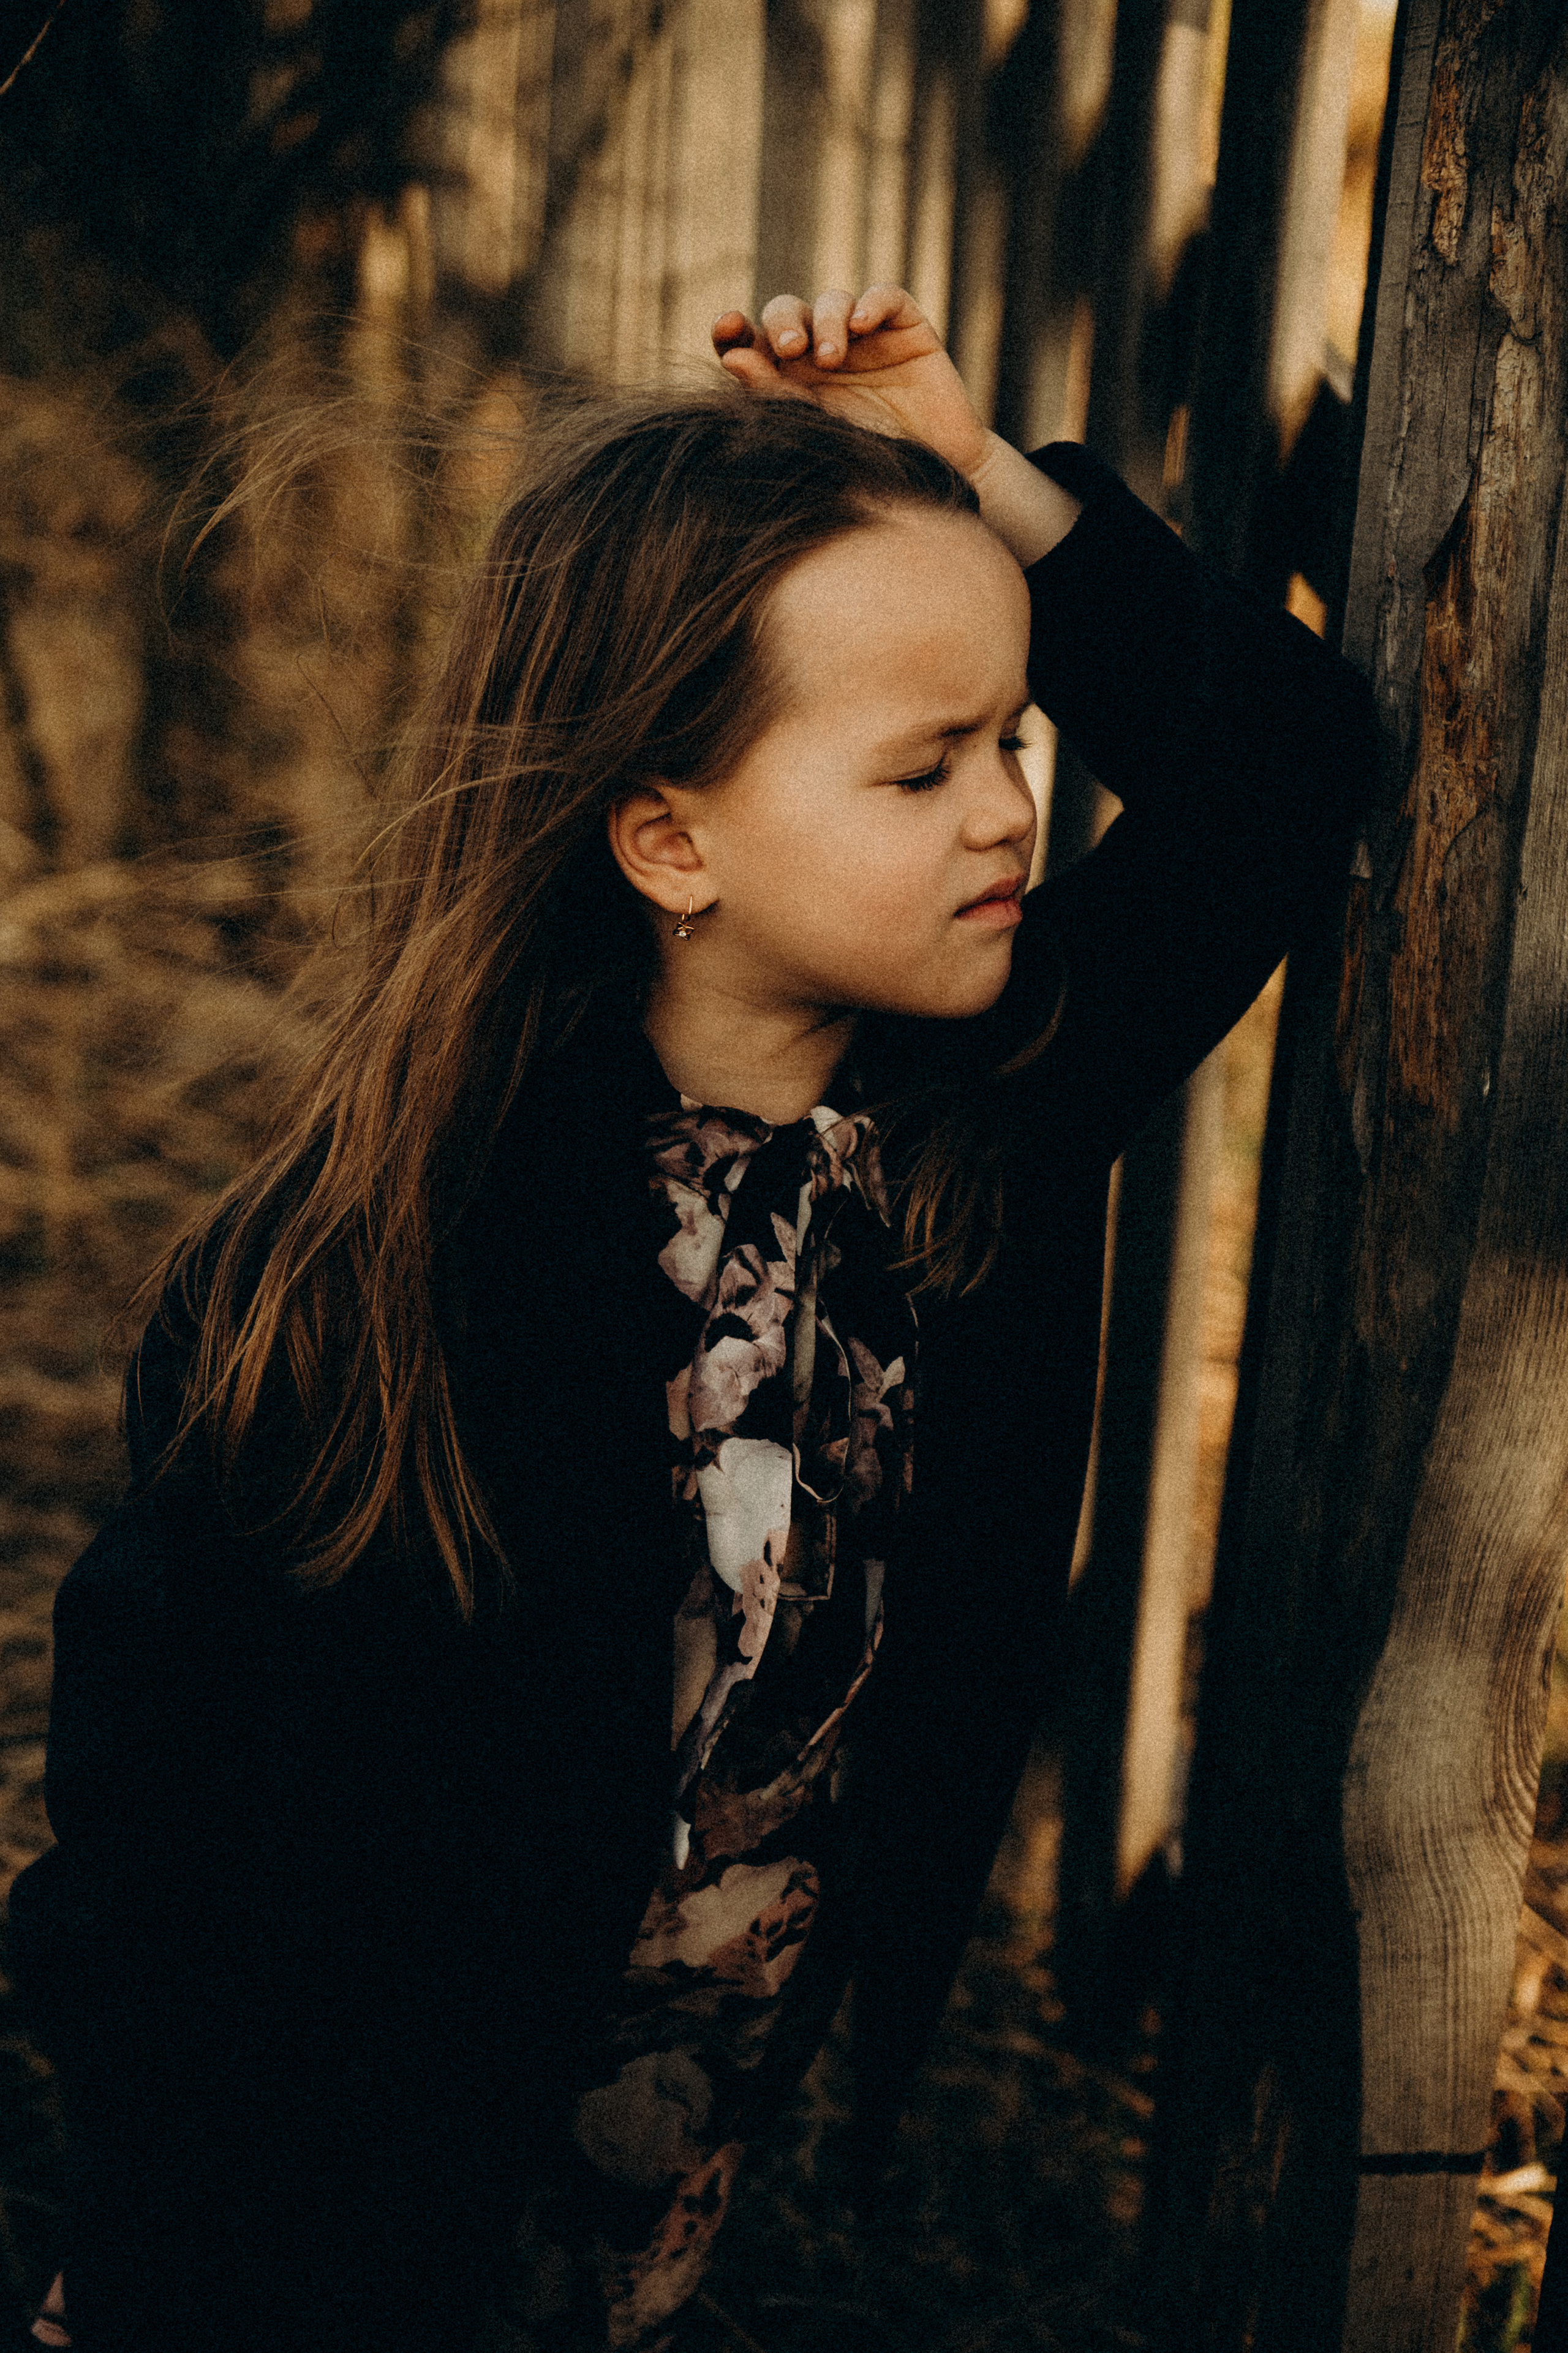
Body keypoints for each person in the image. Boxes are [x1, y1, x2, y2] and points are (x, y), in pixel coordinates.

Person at [6, 285, 1377, 2352]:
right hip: (328, 2210)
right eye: (923, 770)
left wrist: (989, 482)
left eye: (1011, 736)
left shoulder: (969, 1130)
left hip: (668, 2179)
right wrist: (168, 2240)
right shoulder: (393, 1264)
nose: (1014, 810)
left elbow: (1287, 765)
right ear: (667, 836)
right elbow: (154, 1831)